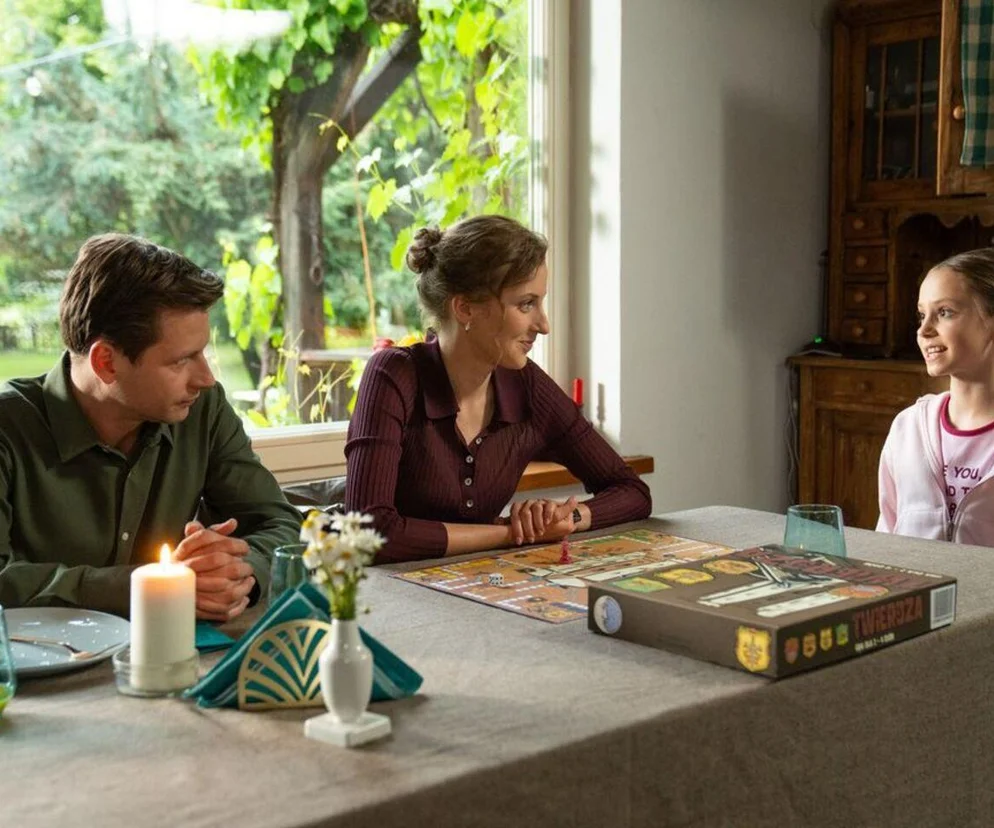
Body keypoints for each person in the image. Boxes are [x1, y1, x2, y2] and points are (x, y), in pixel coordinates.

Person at [0, 234, 301, 619]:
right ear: (106, 362)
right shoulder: (8, 427)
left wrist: (239, 572)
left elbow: (280, 525)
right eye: (181, 360)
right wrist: (147, 586)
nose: (206, 377)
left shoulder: (202, 409)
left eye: (204, 352)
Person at [345, 215, 652, 563]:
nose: (544, 325)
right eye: (526, 304)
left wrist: (564, 518)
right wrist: (510, 533)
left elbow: (632, 492)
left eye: (540, 302)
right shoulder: (392, 375)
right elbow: (366, 535)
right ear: (465, 308)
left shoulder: (528, 386)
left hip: (478, 583)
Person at [877, 248, 994, 545]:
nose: (924, 330)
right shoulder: (908, 428)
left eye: (944, 312)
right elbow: (886, 535)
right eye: (922, 315)